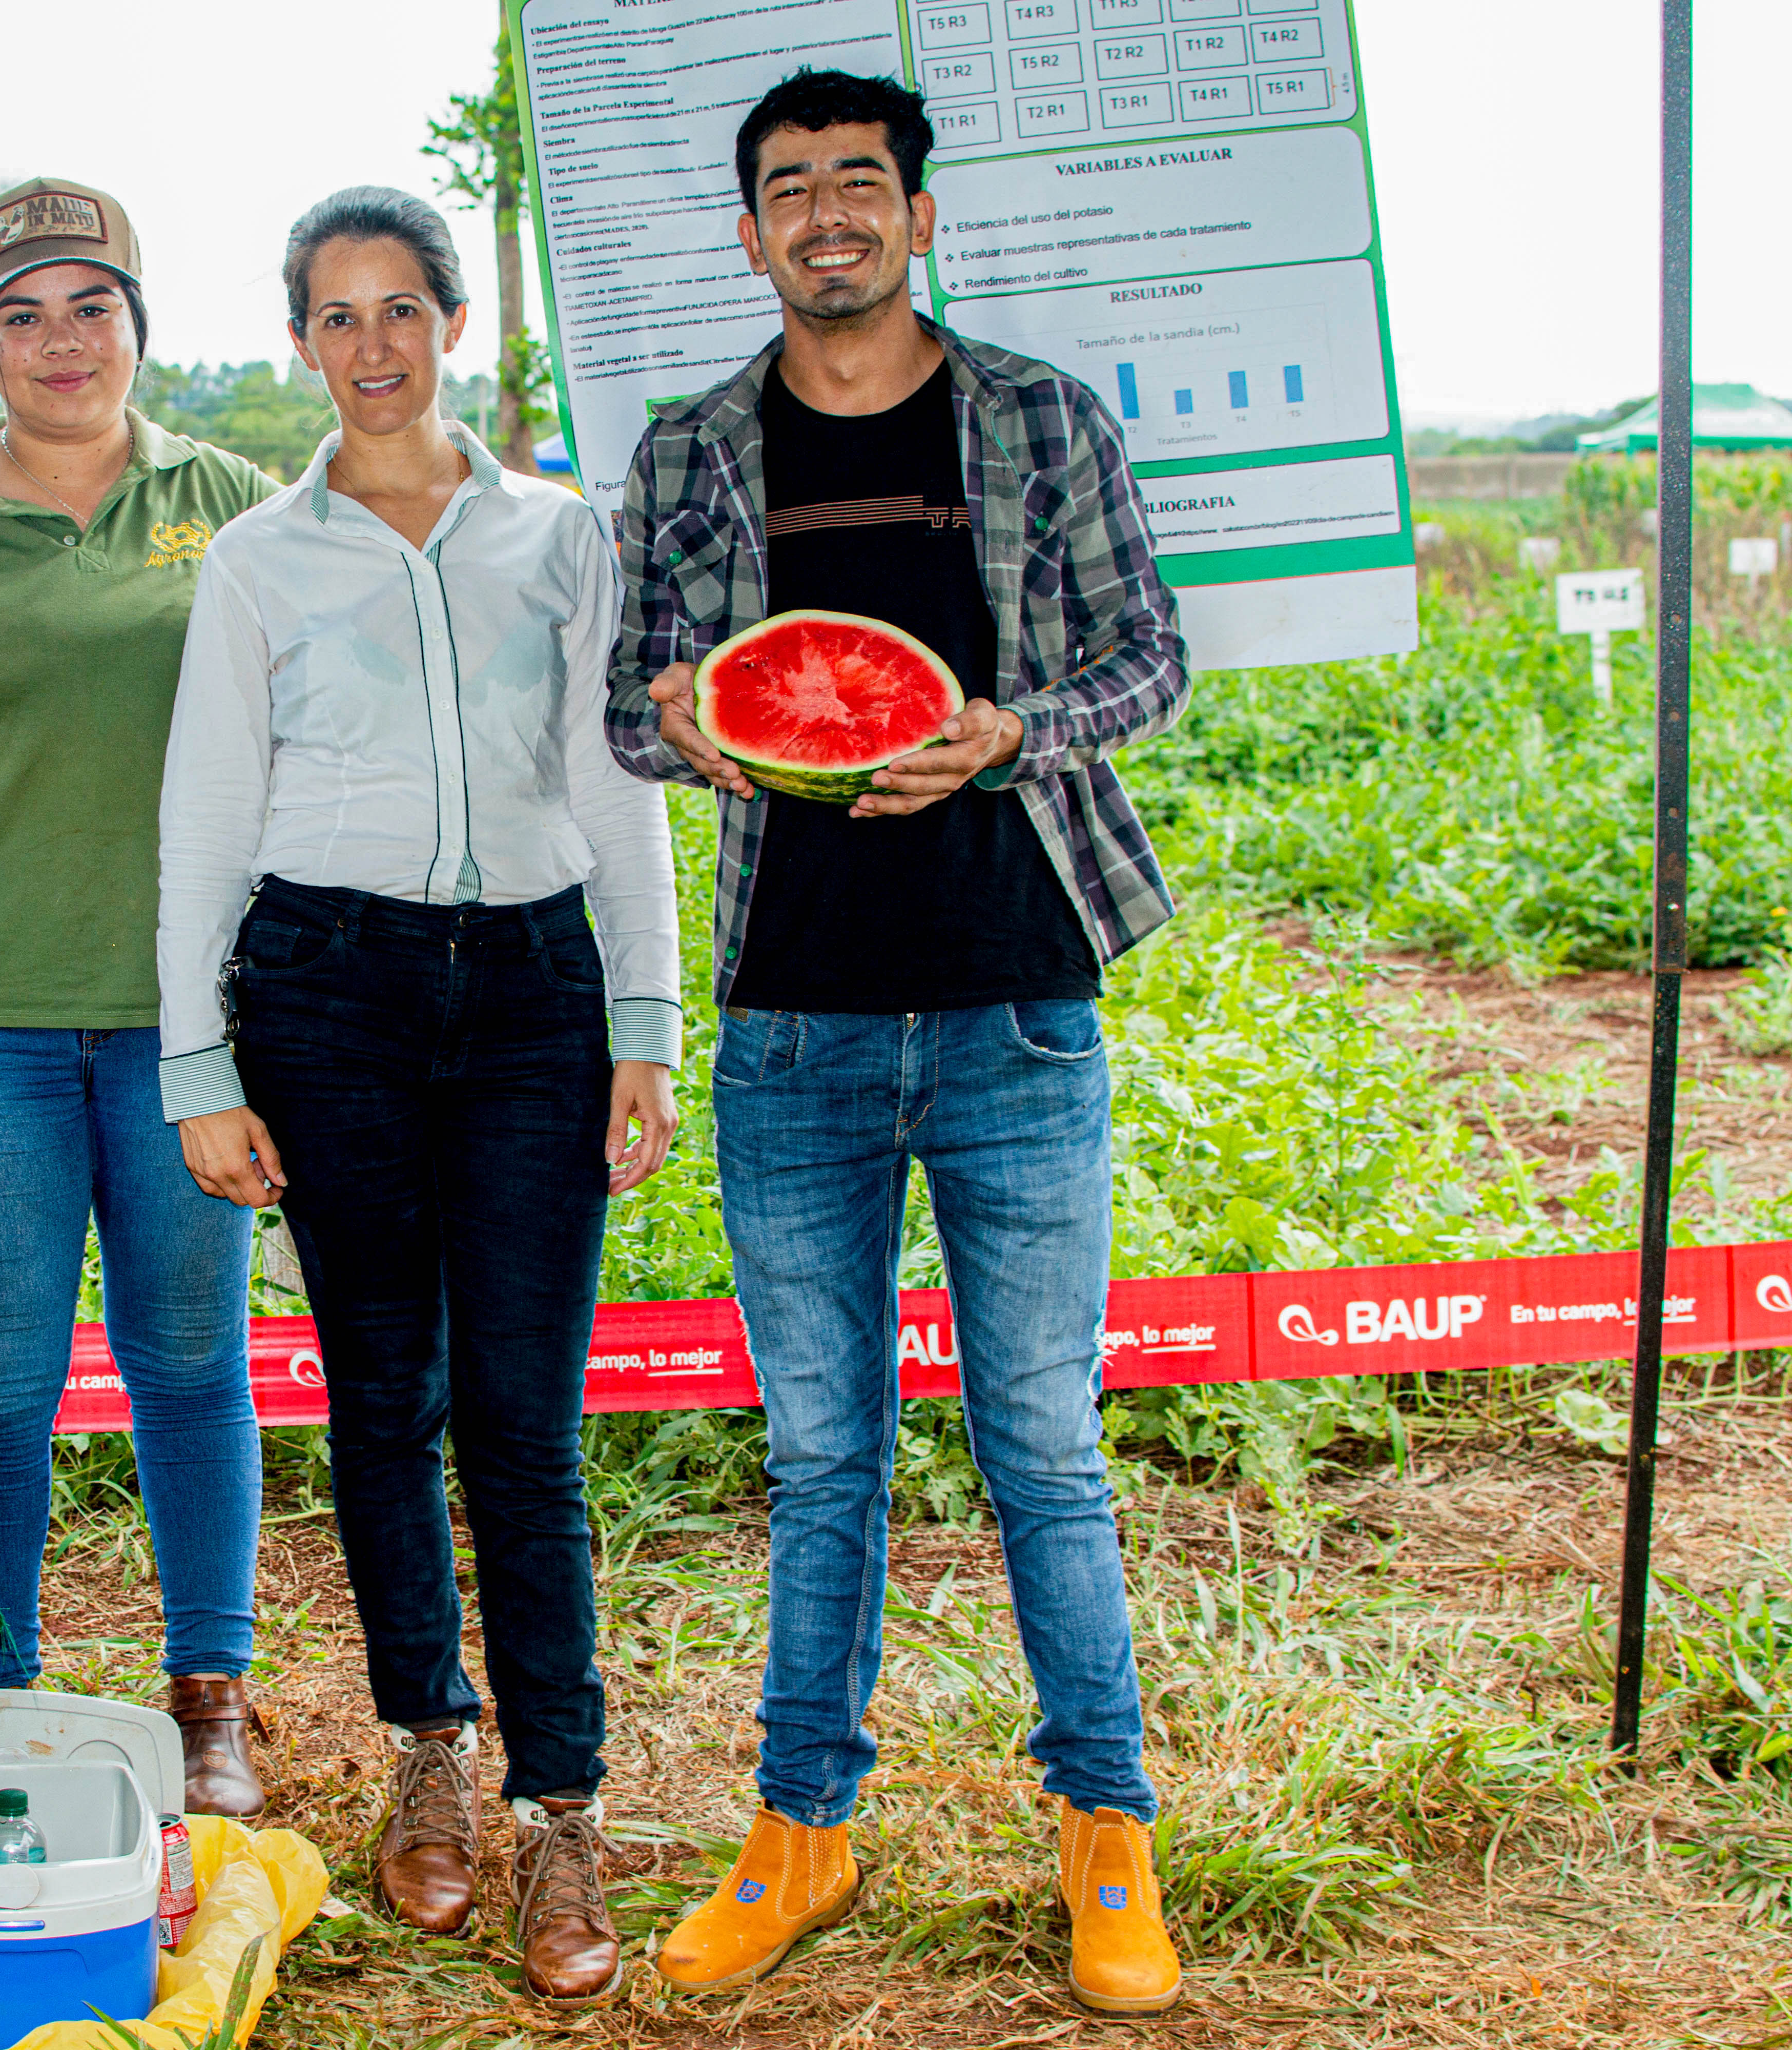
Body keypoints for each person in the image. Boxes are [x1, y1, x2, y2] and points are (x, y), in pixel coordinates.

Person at [610, 70, 1190, 2016]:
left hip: (1022, 998)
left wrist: (1013, 727)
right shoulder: (692, 451)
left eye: (862, 183)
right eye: (791, 190)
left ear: (919, 216)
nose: (828, 215)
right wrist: (687, 714)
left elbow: (1151, 658)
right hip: (794, 1024)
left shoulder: (1037, 415)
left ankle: (1107, 1827)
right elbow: (629, 704)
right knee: (825, 1448)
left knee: (1041, 1441)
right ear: (751, 231)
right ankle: (802, 1829)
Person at [157, 187, 682, 2004]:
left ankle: (560, 1804)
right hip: (327, 992)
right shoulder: (258, 561)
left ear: (453, 322)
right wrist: (197, 1059)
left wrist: (647, 1017)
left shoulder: (563, 536)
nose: (370, 345)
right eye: (335, 316)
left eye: (401, 309)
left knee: (526, 1425)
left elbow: (618, 787)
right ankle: (426, 1752)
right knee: (385, 1399)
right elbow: (209, 819)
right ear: (300, 342)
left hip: (535, 989)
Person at [0, 176, 281, 1816]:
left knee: (186, 1356)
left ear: (139, 327)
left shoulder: (227, 498)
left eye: (91, 305)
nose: (59, 340)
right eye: (22, 312)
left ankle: (212, 1693)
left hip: (192, 1034)